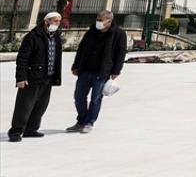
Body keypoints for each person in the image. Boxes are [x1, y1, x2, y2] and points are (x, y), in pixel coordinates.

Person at [67, 9, 126, 135]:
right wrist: (76, 65)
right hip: (85, 69)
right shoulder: (91, 31)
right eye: (97, 19)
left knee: (96, 99)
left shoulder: (118, 34)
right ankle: (81, 120)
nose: (98, 22)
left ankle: (89, 122)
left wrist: (116, 70)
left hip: (102, 72)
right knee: (78, 97)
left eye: (101, 20)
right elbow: (81, 49)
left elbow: (120, 53)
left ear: (109, 21)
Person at [9, 12, 62, 142]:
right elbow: (22, 58)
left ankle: (31, 129)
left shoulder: (56, 37)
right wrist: (21, 77)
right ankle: (16, 131)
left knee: (41, 105)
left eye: (59, 21)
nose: (57, 24)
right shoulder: (33, 36)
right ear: (46, 22)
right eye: (55, 21)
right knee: (24, 106)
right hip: (32, 77)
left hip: (47, 77)